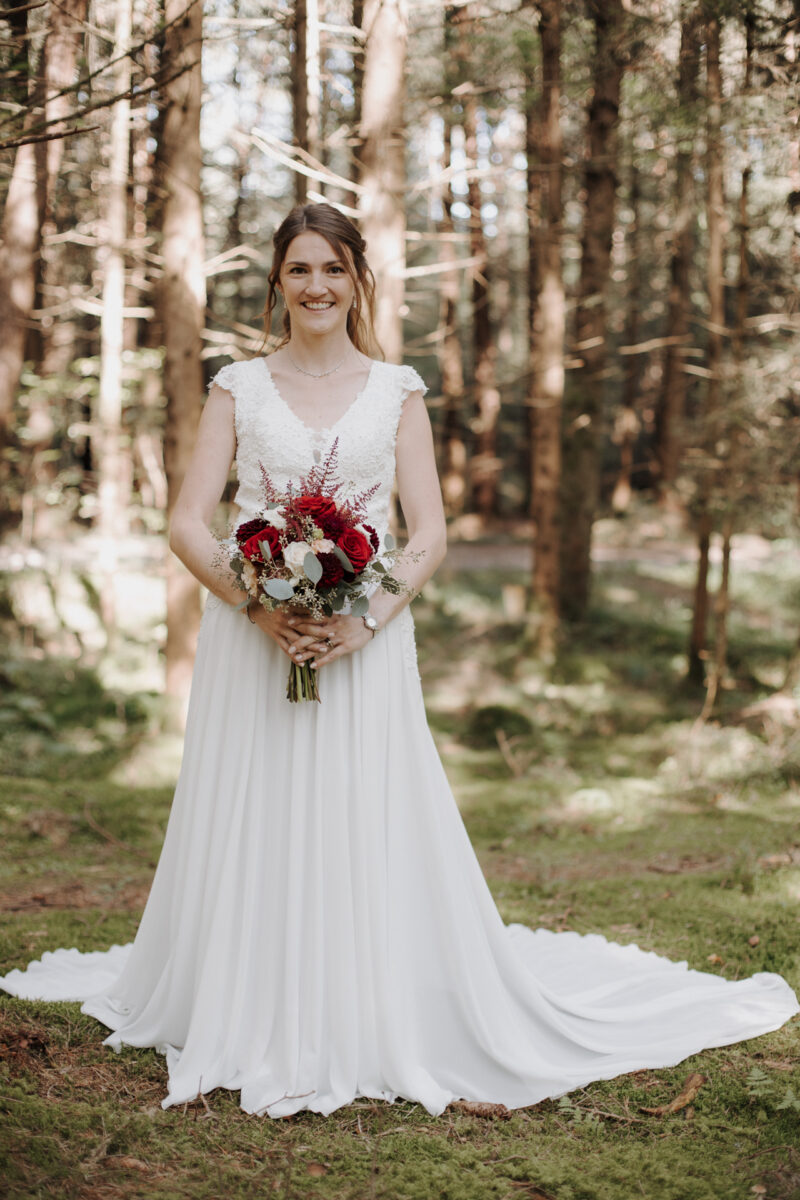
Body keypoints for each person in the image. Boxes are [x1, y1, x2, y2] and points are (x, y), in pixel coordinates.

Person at [1, 203, 797, 1119]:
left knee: (353, 808)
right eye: (299, 270)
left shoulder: (398, 392)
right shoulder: (238, 388)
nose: (316, 288)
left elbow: (428, 536)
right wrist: (260, 607)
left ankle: (359, 998)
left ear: (358, 281)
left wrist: (362, 621)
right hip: (252, 638)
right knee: (256, 806)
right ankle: (246, 996)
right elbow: (187, 522)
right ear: (276, 282)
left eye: (333, 270)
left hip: (363, 643)